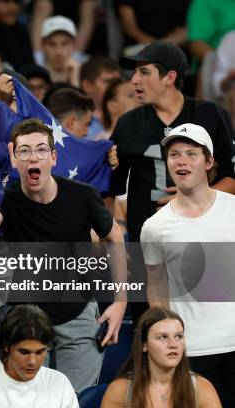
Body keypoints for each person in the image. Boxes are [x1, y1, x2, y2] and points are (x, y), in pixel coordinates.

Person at [0, 118, 127, 392]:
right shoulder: (4, 197)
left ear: (53, 157)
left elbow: (115, 237)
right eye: (24, 151)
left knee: (76, 400)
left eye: (41, 150)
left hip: (77, 317)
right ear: (13, 157)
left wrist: (120, 302)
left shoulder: (83, 196)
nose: (33, 157)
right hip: (26, 320)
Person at [140, 123, 235, 407]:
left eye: (191, 153)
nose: (181, 160)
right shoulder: (154, 227)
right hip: (191, 349)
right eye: (174, 154)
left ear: (209, 162)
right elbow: (156, 291)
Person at [109, 41, 235, 244]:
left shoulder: (211, 115)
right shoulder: (128, 123)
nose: (134, 80)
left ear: (170, 77)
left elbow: (232, 177)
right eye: (134, 73)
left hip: (205, 237)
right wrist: (113, 242)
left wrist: (195, 196)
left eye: (144, 72)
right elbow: (109, 189)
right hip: (145, 243)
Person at [0, 305, 78, 407]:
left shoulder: (60, 384)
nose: (32, 361)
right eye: (24, 352)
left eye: (40, 352)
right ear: (6, 347)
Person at [101, 307, 222, 408]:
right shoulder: (120, 390)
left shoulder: (202, 388)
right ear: (144, 344)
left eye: (179, 336)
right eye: (163, 337)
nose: (173, 344)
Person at [79, 56, 121, 140]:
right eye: (108, 82)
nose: (115, 87)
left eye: (118, 82)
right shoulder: (77, 120)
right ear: (87, 86)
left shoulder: (127, 116)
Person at [40, 15, 79, 86]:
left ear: (74, 44)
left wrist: (75, 80)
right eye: (52, 44)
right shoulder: (31, 77)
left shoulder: (87, 75)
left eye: (64, 44)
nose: (58, 52)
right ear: (42, 45)